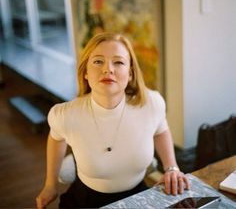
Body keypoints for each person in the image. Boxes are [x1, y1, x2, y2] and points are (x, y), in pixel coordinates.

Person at [36, 32, 190, 208]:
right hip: (86, 200)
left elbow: (161, 129)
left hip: (138, 196)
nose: (108, 69)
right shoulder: (65, 114)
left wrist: (172, 167)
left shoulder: (151, 103)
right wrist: (50, 185)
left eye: (118, 62)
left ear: (130, 73)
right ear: (85, 72)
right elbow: (56, 137)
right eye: (98, 61)